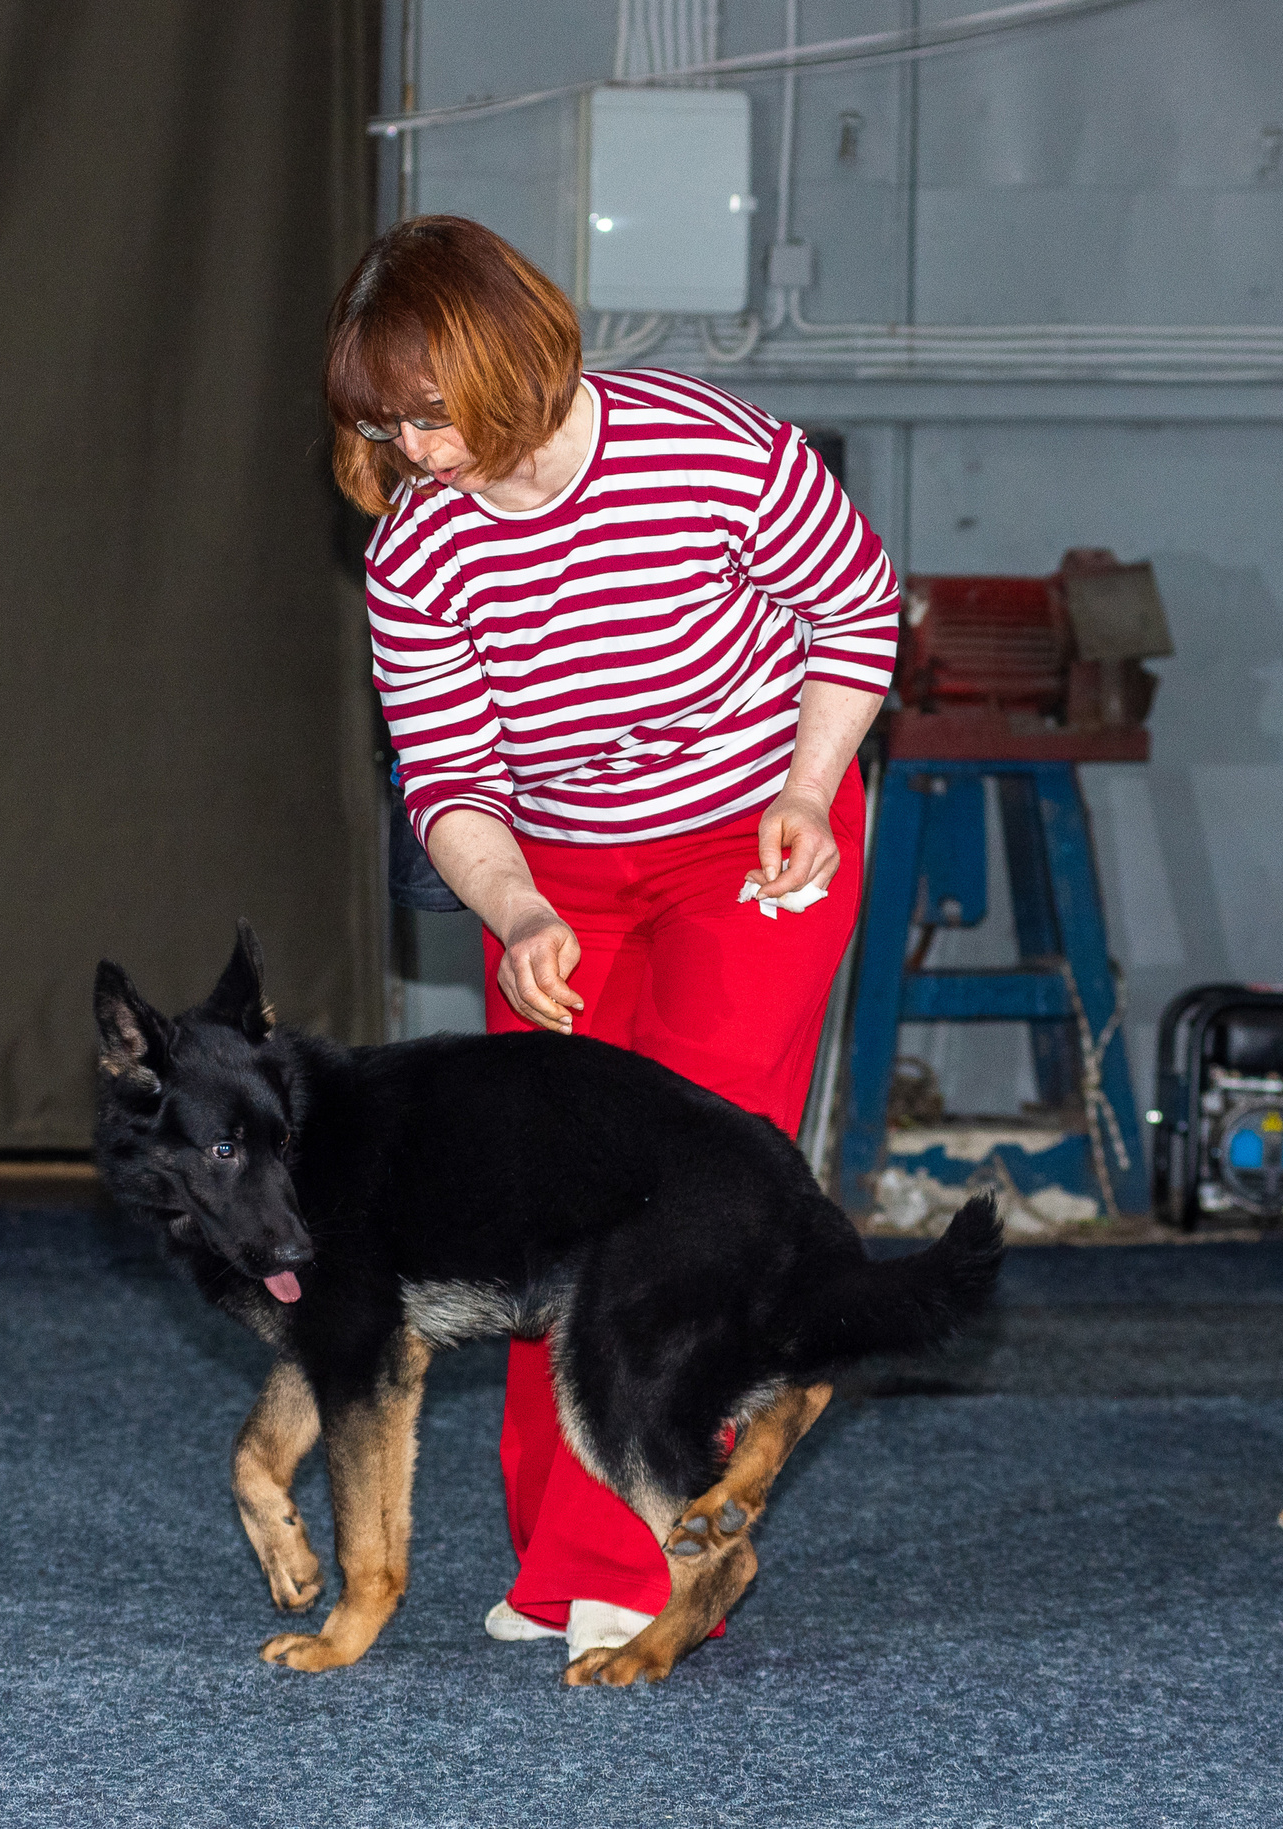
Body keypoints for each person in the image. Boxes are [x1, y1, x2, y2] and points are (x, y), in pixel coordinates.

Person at [325, 215, 899, 1663]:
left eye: (430, 410)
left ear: (513, 354)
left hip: (756, 838)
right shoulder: (419, 548)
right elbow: (449, 777)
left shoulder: (709, 452)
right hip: (557, 869)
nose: (411, 445)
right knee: (541, 1206)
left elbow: (856, 608)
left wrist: (811, 789)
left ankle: (653, 1556)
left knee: (679, 1199)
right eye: (382, 420)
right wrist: (516, 910)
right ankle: (564, 1552)